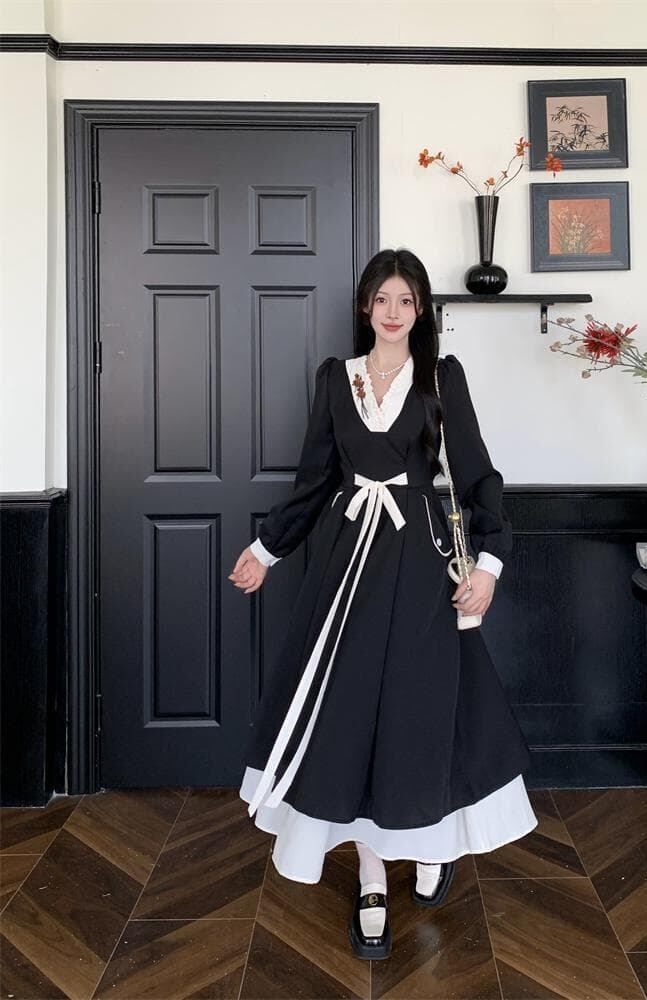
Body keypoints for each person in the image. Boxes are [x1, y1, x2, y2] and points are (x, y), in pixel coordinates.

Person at [229, 247, 537, 961]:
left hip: (422, 565)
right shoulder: (335, 379)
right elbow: (313, 481)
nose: (393, 312)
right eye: (382, 298)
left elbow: (478, 473)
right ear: (365, 306)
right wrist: (267, 551)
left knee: (417, 714)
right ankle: (371, 876)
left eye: (406, 300)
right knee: (349, 721)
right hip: (346, 569)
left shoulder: (441, 376)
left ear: (420, 309)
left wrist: (489, 564)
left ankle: (429, 844)